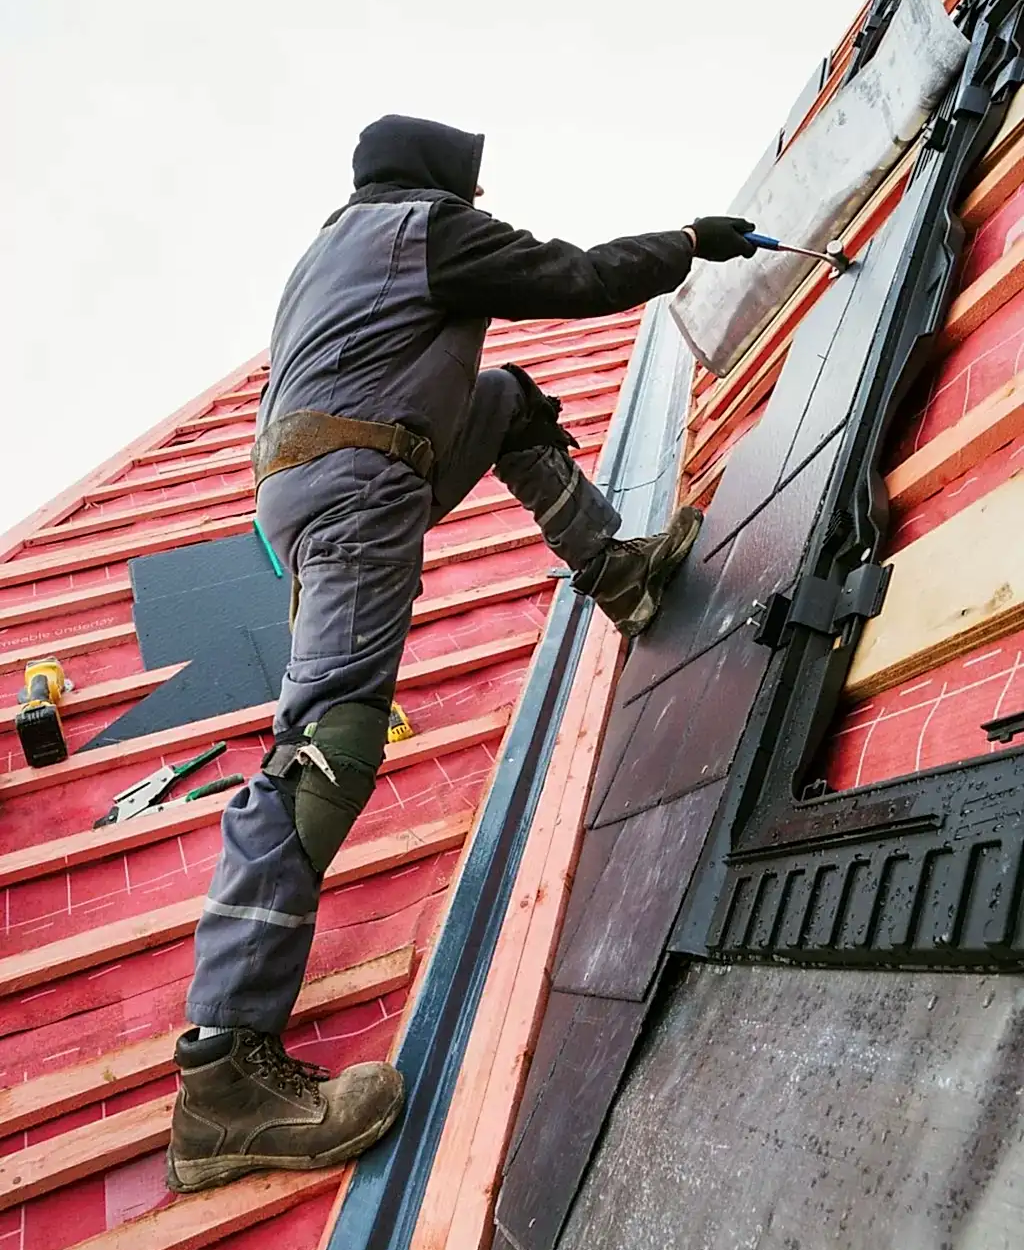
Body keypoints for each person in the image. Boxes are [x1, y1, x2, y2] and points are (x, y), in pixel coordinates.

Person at [166, 115, 757, 1192]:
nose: (479, 211)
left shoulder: (333, 249)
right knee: (325, 747)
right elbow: (572, 276)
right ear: (440, 184)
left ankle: (614, 570)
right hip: (358, 486)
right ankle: (222, 1073)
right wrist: (687, 241)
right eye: (471, 194)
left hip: (336, 469)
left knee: (505, 399)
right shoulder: (422, 230)